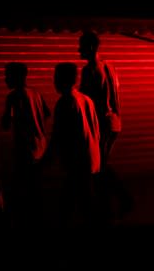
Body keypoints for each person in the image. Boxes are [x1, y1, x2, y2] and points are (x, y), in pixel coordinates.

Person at [78, 31, 132, 224]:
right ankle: (118, 201)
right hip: (114, 121)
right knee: (102, 164)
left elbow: (87, 100)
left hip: (102, 123)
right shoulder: (109, 66)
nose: (78, 50)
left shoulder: (89, 70)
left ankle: (113, 204)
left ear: (91, 47)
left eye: (81, 46)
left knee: (99, 166)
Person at [41, 62, 100, 227]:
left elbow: (58, 135)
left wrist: (46, 160)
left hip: (77, 161)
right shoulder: (86, 99)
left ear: (61, 79)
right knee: (80, 199)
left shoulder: (65, 103)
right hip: (89, 159)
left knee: (77, 202)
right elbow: (95, 130)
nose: (54, 81)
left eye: (55, 77)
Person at [1, 62, 50, 227]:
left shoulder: (14, 97)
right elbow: (47, 112)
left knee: (24, 185)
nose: (5, 79)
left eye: (7, 75)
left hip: (26, 150)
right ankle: (39, 217)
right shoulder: (35, 93)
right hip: (40, 146)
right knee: (36, 185)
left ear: (16, 77)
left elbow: (5, 124)